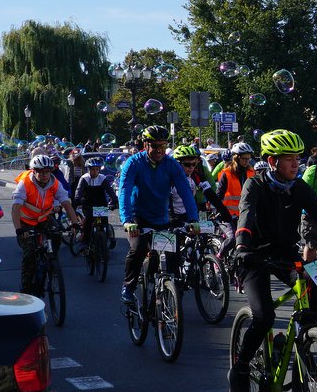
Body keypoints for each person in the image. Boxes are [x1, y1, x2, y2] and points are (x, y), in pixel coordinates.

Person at [228, 129, 317, 392]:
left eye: (297, 157)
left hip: (285, 254)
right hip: (253, 256)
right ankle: (240, 368)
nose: (295, 163)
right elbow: (246, 217)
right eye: (289, 158)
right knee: (264, 317)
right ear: (272, 161)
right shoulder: (255, 185)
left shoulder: (299, 187)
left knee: (310, 297)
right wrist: (241, 247)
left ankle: (306, 353)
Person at [116, 125, 202, 308]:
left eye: (163, 146)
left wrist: (193, 219)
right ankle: (129, 287)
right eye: (155, 146)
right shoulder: (133, 163)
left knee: (172, 257)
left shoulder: (171, 164)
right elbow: (124, 191)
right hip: (138, 217)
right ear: (145, 145)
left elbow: (185, 192)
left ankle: (169, 293)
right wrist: (127, 220)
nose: (159, 150)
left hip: (161, 218)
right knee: (139, 248)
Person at [13, 154, 82, 294]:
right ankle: (25, 290)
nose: (44, 175)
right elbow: (16, 208)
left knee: (56, 236)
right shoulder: (25, 183)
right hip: (27, 221)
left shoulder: (54, 183)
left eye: (47, 171)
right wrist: (19, 230)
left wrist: (75, 223)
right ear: (33, 171)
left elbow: (66, 203)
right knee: (29, 255)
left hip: (44, 218)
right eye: (40, 171)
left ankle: (50, 262)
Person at [71, 156, 116, 242]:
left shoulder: (103, 178)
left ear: (99, 170)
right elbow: (78, 192)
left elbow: (110, 191)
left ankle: (108, 235)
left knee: (104, 222)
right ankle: (85, 242)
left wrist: (115, 200)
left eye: (97, 169)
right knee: (88, 223)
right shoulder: (84, 178)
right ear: (88, 169)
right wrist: (76, 201)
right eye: (92, 169)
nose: (95, 172)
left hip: (101, 204)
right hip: (88, 205)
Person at [215, 142, 253, 218]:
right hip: (230, 215)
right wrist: (219, 211)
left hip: (247, 215)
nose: (247, 161)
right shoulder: (227, 173)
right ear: (236, 158)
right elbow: (219, 195)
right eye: (244, 158)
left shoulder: (251, 173)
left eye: (249, 158)